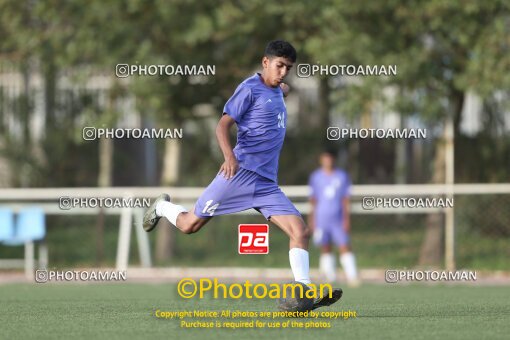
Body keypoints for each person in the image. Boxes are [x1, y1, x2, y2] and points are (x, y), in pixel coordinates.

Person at [143, 40, 342, 308]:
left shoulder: (278, 89)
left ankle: (304, 292)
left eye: (288, 68)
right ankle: (162, 207)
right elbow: (222, 126)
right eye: (279, 66)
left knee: (301, 231)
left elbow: (279, 89)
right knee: (190, 225)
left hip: (266, 183)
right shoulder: (248, 89)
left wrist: (284, 87)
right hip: (239, 174)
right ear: (265, 62)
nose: (283, 72)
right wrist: (229, 157)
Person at [308, 150, 359, 286]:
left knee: (344, 245)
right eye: (325, 158)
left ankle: (352, 276)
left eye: (330, 158)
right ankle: (329, 276)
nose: (327, 161)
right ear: (321, 160)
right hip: (321, 218)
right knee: (325, 246)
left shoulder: (342, 176)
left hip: (337, 217)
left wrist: (347, 218)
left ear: (333, 159)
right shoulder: (316, 177)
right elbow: (313, 200)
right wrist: (312, 219)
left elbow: (346, 199)